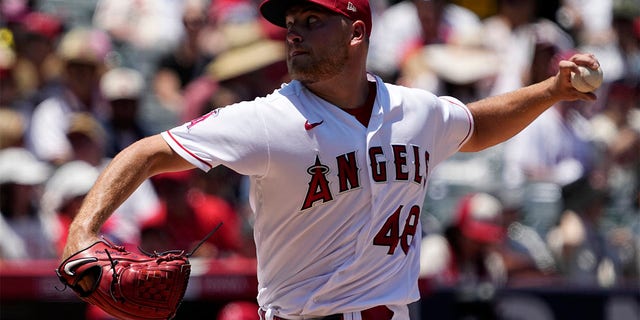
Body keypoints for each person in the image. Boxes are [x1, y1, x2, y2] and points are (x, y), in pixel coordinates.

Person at [60, 0, 601, 319]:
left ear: (357, 31)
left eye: (312, 20)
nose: (293, 30)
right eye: (291, 20)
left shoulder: (414, 111)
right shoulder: (268, 120)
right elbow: (146, 152)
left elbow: (477, 125)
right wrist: (82, 231)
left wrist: (551, 91)